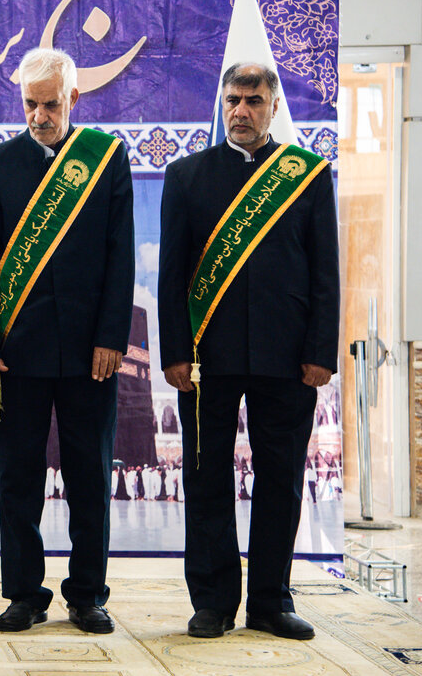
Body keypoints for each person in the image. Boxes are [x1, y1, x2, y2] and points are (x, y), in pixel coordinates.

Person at [159, 61, 338, 641]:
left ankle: (270, 601)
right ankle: (212, 602)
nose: (241, 110)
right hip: (206, 357)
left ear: (274, 106)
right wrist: (174, 352)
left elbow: (325, 272)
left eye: (254, 100)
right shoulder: (186, 176)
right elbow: (171, 275)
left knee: (281, 478)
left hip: (288, 357)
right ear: (222, 103)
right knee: (206, 477)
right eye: (233, 99)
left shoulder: (307, 175)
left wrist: (321, 351)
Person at [0, 47, 134, 635]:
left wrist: (112, 336)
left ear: (74, 99)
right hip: (17, 352)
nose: (40, 116)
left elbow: (120, 253)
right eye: (31, 105)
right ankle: (23, 593)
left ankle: (87, 594)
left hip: (91, 354)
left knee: (90, 476)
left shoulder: (106, 157)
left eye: (51, 105)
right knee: (18, 477)